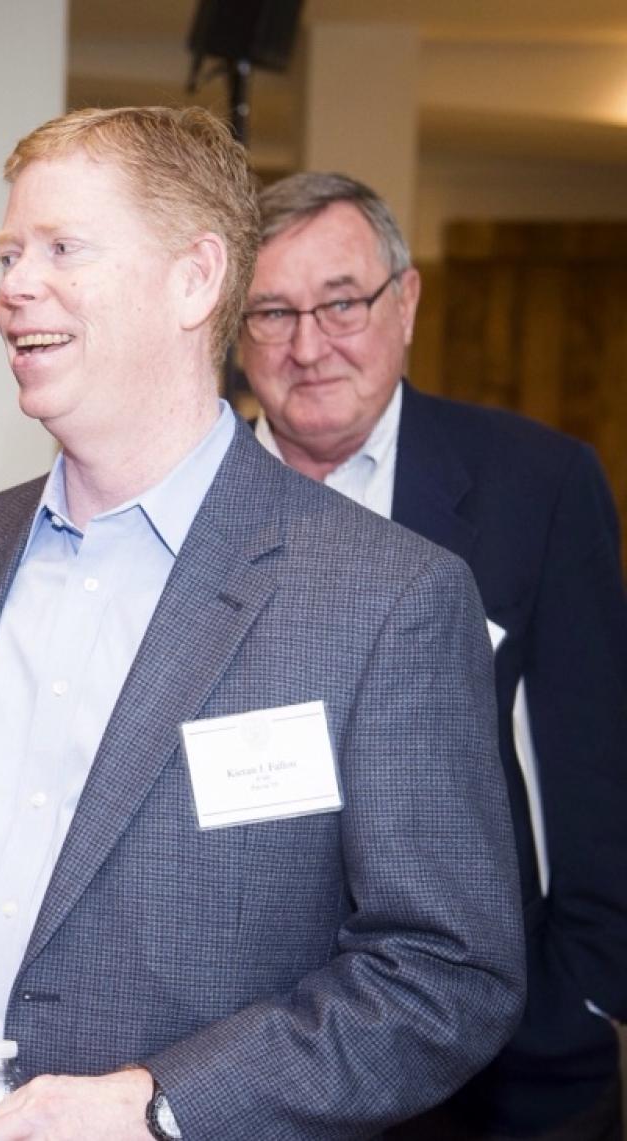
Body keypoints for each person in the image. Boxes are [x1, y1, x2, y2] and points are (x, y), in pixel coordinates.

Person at [0, 105, 527, 1140]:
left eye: (63, 248)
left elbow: (444, 974)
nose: (14, 286)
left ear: (197, 278)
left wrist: (164, 1104)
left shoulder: (385, 596)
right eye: (9, 252)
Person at [237, 170, 627, 1141]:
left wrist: (585, 997)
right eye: (271, 313)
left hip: (497, 1058)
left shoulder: (533, 486)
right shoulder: (184, 505)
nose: (309, 346)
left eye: (340, 303)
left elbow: (593, 761)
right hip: (236, 1049)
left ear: (404, 302)